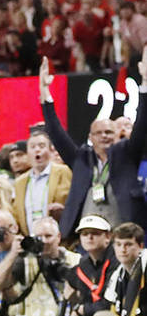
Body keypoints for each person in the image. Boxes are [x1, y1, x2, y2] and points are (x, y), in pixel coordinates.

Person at [40, 54, 147, 238]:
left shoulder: (127, 153)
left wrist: (145, 81)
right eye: (99, 133)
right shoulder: (81, 158)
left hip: (121, 236)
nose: (104, 136)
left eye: (109, 132)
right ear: (90, 137)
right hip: (87, 237)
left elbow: (143, 123)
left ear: (117, 136)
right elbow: (55, 133)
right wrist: (45, 93)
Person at [12, 128, 71, 236]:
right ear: (27, 152)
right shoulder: (19, 182)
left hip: (60, 238)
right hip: (31, 241)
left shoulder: (64, 172)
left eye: (41, 146)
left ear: (50, 150)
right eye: (33, 147)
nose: (37, 150)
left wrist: (63, 211)